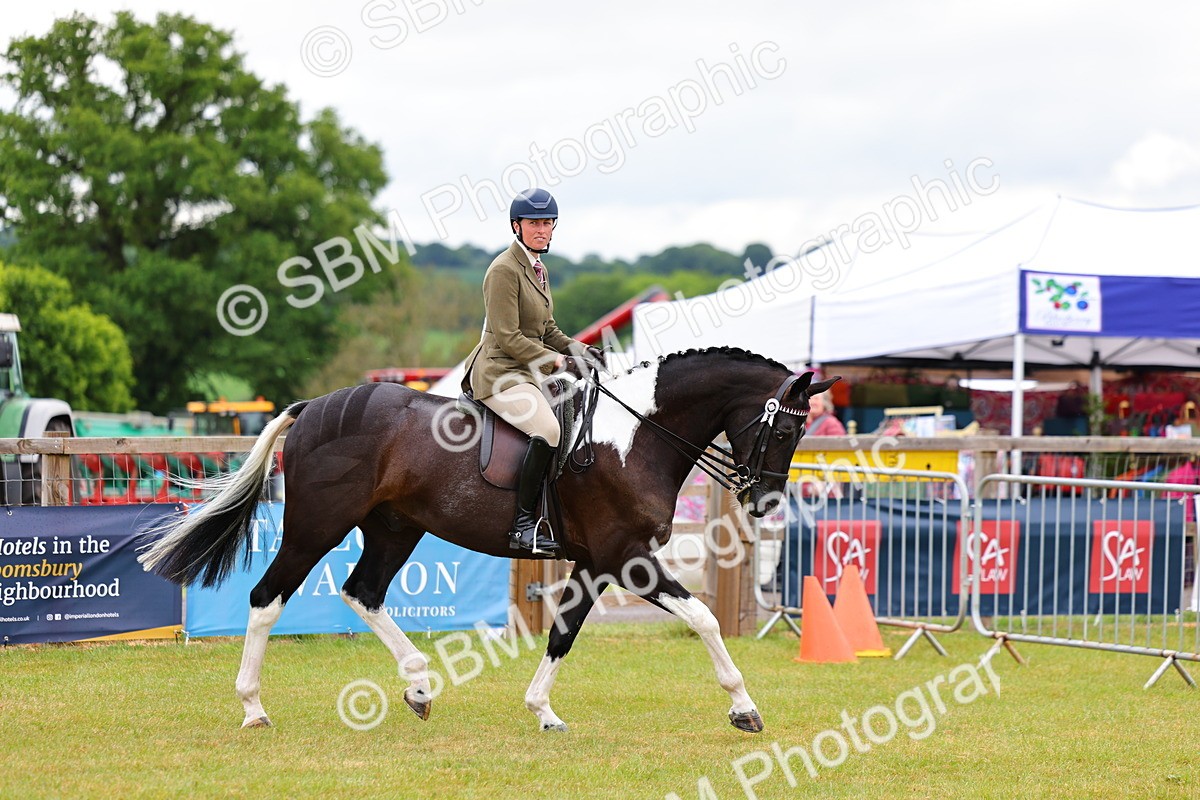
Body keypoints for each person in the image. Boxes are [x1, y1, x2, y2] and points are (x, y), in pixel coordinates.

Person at [462, 188, 601, 555]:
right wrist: (557, 362)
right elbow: (508, 338)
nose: (541, 230)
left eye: (546, 223)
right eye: (534, 223)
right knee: (548, 429)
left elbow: (548, 330)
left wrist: (583, 352)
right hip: (499, 373)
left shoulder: (539, 269)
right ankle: (523, 526)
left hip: (525, 371)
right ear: (516, 226)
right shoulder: (504, 271)